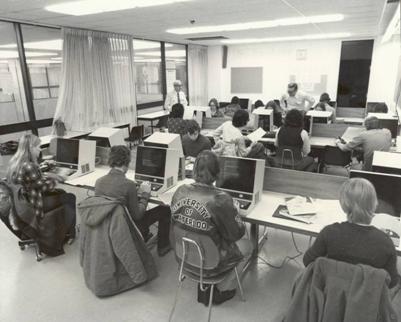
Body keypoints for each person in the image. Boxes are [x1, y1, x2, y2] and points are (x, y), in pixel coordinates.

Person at [170, 151, 252, 305]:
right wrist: (234, 212)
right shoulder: (221, 199)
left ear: (194, 170)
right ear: (218, 173)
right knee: (248, 246)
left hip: (183, 257)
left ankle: (206, 286)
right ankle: (221, 289)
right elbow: (237, 234)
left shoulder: (180, 191)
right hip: (212, 265)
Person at [304, 178, 399, 288]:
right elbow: (392, 282)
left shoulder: (329, 233)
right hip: (365, 300)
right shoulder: (386, 242)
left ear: (344, 206)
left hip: (330, 295)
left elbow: (307, 261)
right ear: (374, 204)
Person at [95, 145, 171, 256]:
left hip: (107, 225)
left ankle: (145, 235)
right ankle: (163, 247)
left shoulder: (98, 182)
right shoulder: (129, 185)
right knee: (164, 209)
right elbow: (137, 215)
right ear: (127, 162)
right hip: (126, 228)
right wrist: (145, 195)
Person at [6, 134, 76, 254]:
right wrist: (59, 178)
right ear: (31, 148)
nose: (40, 150)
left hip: (23, 205)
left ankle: (63, 228)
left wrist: (47, 174)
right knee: (70, 197)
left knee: (61, 193)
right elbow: (43, 187)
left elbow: (32, 181)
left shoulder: (15, 163)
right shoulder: (29, 166)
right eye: (38, 147)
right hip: (35, 205)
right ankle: (70, 233)